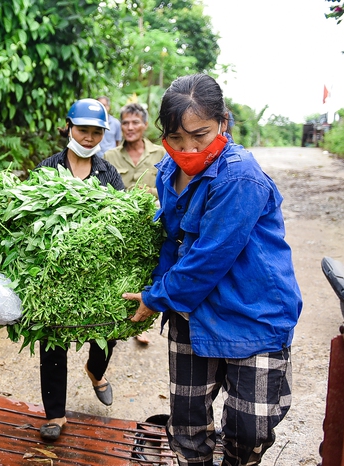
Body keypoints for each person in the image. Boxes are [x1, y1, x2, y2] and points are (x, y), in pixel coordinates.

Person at [124, 74, 302, 466]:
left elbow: (209, 257)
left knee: (250, 428)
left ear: (223, 122)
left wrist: (158, 297)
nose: (188, 148)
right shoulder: (168, 173)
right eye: (176, 138)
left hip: (252, 313)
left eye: (199, 136)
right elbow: (172, 242)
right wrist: (157, 285)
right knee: (187, 424)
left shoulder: (240, 176)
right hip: (195, 313)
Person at [34, 98, 125, 441]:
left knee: (108, 329)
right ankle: (56, 415)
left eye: (96, 132)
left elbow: (123, 214)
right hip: (57, 271)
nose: (88, 138)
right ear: (69, 128)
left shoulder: (108, 173)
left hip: (97, 270)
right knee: (52, 340)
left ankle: (95, 369)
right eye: (83, 130)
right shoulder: (49, 168)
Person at [104, 103, 165, 346]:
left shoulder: (159, 154)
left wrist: (146, 192)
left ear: (145, 125)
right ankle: (114, 315)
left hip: (150, 225)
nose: (130, 127)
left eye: (135, 122)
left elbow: (169, 191)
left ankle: (140, 321)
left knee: (145, 271)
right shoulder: (110, 156)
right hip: (118, 226)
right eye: (125, 123)